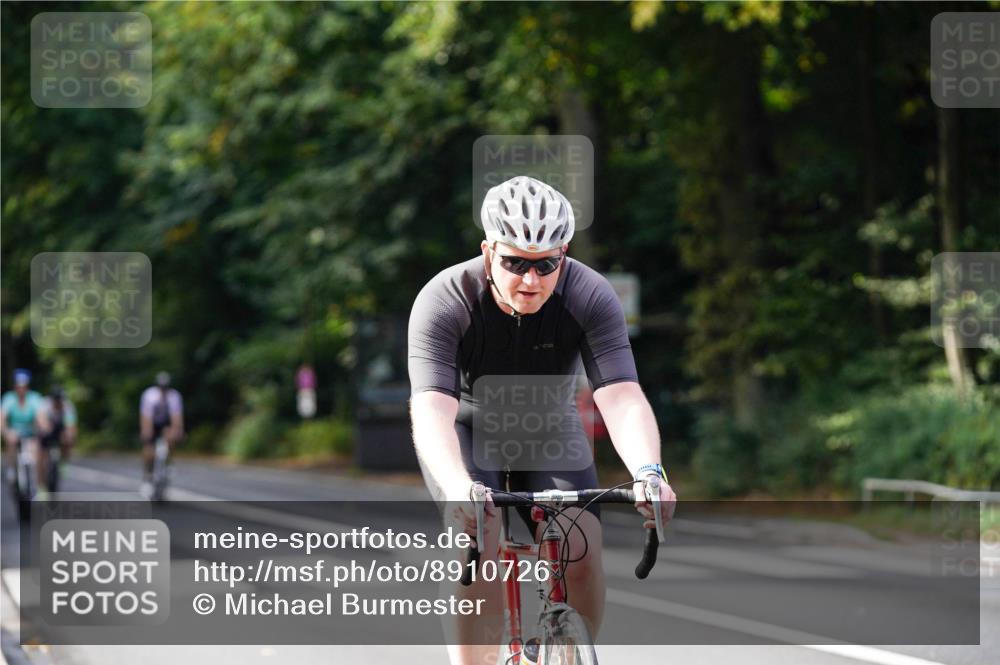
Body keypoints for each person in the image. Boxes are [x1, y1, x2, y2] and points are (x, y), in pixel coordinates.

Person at [408, 175, 677, 665]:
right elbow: (431, 410)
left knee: (582, 546)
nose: (531, 280)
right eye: (515, 263)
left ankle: (569, 651)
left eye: (546, 264)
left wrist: (649, 471)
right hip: (467, 429)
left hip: (549, 427)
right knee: (477, 540)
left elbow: (620, 396)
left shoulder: (589, 294)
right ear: (488, 251)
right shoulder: (445, 298)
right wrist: (457, 486)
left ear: (564, 255)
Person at [1, 369, 50, 495]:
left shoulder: (34, 398)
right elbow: (2, 418)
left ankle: (39, 484)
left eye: (24, 386)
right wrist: (6, 431)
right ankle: (12, 468)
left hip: (31, 433)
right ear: (15, 386)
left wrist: (44, 427)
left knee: (37, 452)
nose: (21, 389)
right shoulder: (9, 398)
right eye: (18, 386)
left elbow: (41, 417)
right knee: (11, 440)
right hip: (14, 433)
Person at [138, 371, 184, 498]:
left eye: (165, 388)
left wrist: (177, 430)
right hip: (152, 423)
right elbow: (146, 416)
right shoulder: (149, 395)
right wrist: (146, 430)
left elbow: (176, 417)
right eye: (161, 387)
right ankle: (147, 477)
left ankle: (169, 462)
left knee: (172, 437)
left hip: (166, 423)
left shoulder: (174, 396)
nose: (163, 390)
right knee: (148, 450)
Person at [39, 386, 78, 492]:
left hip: (60, 429)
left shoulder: (67, 406)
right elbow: (41, 419)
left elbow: (71, 424)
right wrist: (45, 428)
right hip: (47, 429)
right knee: (41, 456)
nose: (58, 402)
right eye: (56, 399)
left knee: (69, 438)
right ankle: (42, 487)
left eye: (60, 399)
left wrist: (69, 433)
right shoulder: (45, 404)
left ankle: (63, 461)